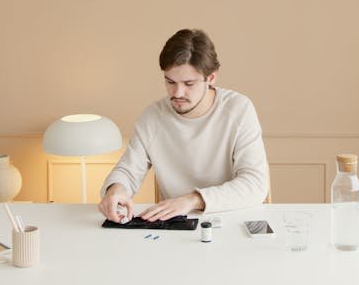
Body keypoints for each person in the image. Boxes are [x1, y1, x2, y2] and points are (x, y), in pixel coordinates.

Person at [98, 28, 269, 223]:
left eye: (189, 83)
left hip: (234, 220)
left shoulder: (239, 109)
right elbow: (128, 171)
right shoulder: (153, 117)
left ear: (211, 78)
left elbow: (255, 184)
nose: (177, 93)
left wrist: (193, 200)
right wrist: (115, 190)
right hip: (177, 227)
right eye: (170, 82)